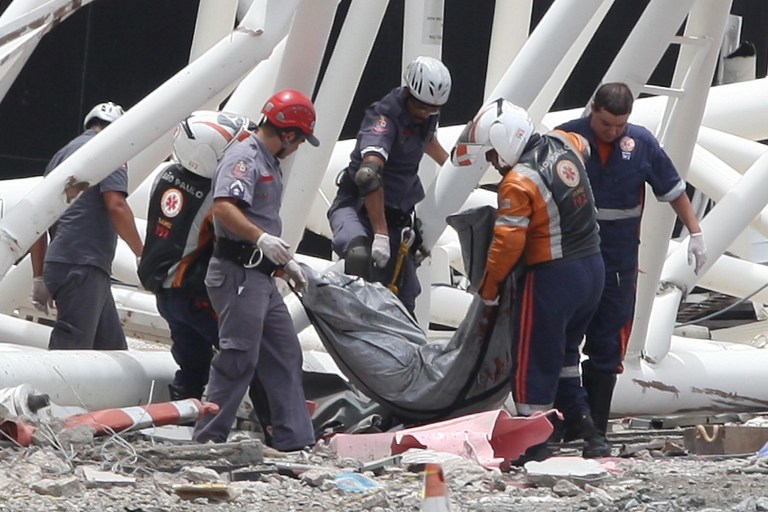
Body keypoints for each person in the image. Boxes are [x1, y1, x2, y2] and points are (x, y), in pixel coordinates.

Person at [452, 98, 611, 458]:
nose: (493, 162)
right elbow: (583, 145)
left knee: (532, 359)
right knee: (567, 355)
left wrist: (489, 288)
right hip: (593, 267)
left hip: (554, 276)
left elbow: (508, 243)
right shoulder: (563, 142)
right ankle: (586, 426)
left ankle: (535, 441)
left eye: (492, 154)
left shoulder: (518, 182)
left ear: (505, 140)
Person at [555, 82, 707, 441]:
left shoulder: (640, 144)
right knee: (561, 338)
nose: (612, 132)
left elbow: (673, 189)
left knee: (608, 342)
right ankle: (562, 421)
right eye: (606, 124)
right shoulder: (565, 140)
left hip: (618, 261)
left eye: (620, 126)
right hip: (571, 256)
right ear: (593, 110)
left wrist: (695, 232)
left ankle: (596, 427)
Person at [192, 89, 318, 451]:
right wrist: (262, 239)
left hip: (259, 275)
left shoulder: (266, 161)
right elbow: (224, 208)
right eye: (299, 141)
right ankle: (208, 440)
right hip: (238, 274)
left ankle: (295, 441)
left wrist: (282, 263)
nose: (296, 149)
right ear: (289, 134)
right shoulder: (244, 157)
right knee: (238, 356)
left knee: (284, 352)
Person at [138, 110, 252, 401]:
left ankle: (184, 410)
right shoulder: (217, 199)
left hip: (163, 290)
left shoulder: (164, 176)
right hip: (194, 294)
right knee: (241, 352)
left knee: (191, 361)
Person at [328, 55, 452, 314]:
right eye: (421, 107)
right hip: (359, 209)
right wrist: (381, 236)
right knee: (360, 259)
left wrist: (452, 165)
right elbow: (368, 175)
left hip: (397, 218)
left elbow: (426, 139)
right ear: (408, 94)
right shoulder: (384, 118)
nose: (425, 114)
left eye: (432, 109)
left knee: (405, 300)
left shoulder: (425, 115)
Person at [30, 101, 144, 350]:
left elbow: (36, 218)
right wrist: (141, 253)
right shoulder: (110, 149)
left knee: (111, 351)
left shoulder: (63, 154)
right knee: (71, 351)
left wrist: (38, 275)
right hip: (83, 265)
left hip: (72, 265)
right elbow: (116, 205)